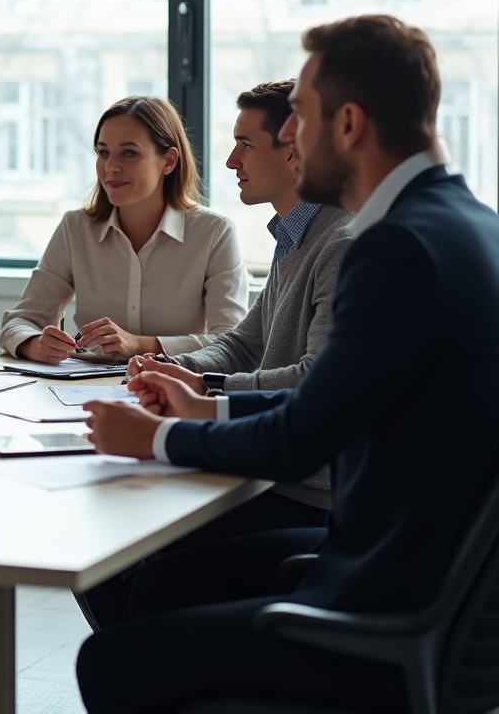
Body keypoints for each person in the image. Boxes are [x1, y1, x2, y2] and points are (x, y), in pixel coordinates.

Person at [77, 14, 499, 713]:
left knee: (111, 662)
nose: (291, 139)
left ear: (350, 123)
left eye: (300, 116)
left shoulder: (391, 247)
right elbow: (333, 401)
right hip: (438, 594)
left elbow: (303, 434)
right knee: (161, 590)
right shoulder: (472, 225)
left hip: (381, 613)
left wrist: (152, 437)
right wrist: (205, 403)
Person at [75, 80, 352, 630]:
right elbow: (246, 341)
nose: (230, 160)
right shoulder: (297, 235)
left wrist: (206, 391)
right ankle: (143, 674)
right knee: (107, 535)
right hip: (271, 468)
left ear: (292, 149)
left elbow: (310, 379)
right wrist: (177, 370)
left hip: (308, 490)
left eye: (245, 144)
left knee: (124, 546)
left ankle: (141, 675)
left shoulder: (339, 243)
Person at [0, 96, 248, 363]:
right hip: (83, 392)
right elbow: (17, 324)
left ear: (169, 161)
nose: (110, 167)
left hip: (175, 392)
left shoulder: (214, 232)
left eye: (129, 153)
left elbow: (231, 344)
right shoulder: (75, 228)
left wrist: (140, 345)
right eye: (103, 152)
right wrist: (36, 344)